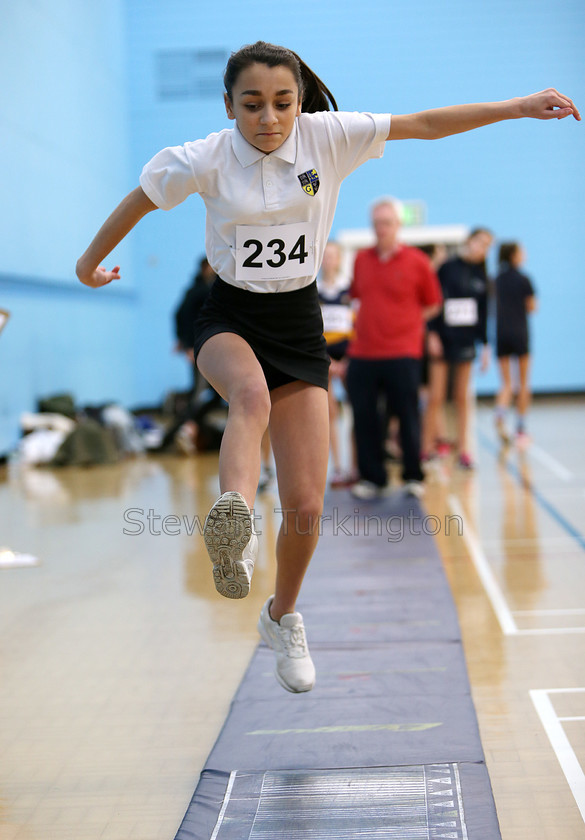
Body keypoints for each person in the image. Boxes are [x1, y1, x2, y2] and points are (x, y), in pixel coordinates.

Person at [75, 39, 579, 692]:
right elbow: (140, 198)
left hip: (297, 326)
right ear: (228, 104)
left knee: (308, 507)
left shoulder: (329, 139)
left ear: (300, 102)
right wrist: (89, 265)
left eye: (282, 103)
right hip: (227, 316)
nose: (268, 118)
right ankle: (235, 520)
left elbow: (424, 125)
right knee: (248, 398)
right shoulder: (201, 157)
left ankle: (282, 615)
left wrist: (516, 107)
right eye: (251, 105)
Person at [346, 199, 443, 500]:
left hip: (403, 352)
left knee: (407, 414)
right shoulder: (361, 259)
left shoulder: (416, 261)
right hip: (363, 353)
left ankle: (413, 474)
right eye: (376, 224)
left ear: (398, 226)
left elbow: (433, 303)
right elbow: (357, 298)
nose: (381, 229)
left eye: (386, 223)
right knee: (364, 417)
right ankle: (372, 477)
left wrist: (410, 323)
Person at [423, 228, 494, 469]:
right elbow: (434, 301)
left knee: (461, 399)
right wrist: (432, 333)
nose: (481, 248)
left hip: (466, 342)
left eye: (486, 246)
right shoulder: (447, 267)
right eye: (479, 242)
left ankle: (464, 450)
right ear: (469, 241)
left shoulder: (483, 276)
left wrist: (485, 346)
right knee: (436, 396)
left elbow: (484, 314)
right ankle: (427, 449)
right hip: (443, 339)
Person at [317, 240, 355, 488]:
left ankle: (355, 465)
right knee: (329, 414)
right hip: (323, 359)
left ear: (340, 259)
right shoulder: (313, 291)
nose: (330, 260)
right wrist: (326, 360)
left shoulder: (349, 290)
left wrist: (350, 359)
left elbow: (358, 325)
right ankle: (338, 466)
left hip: (349, 359)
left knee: (354, 411)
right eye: (326, 255)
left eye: (334, 255)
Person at [494, 242, 537, 445]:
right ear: (513, 256)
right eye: (522, 251)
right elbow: (532, 307)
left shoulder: (496, 279)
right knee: (523, 383)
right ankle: (520, 429)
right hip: (520, 334)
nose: (525, 254)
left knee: (507, 384)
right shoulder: (524, 279)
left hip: (501, 333)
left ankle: (500, 413)